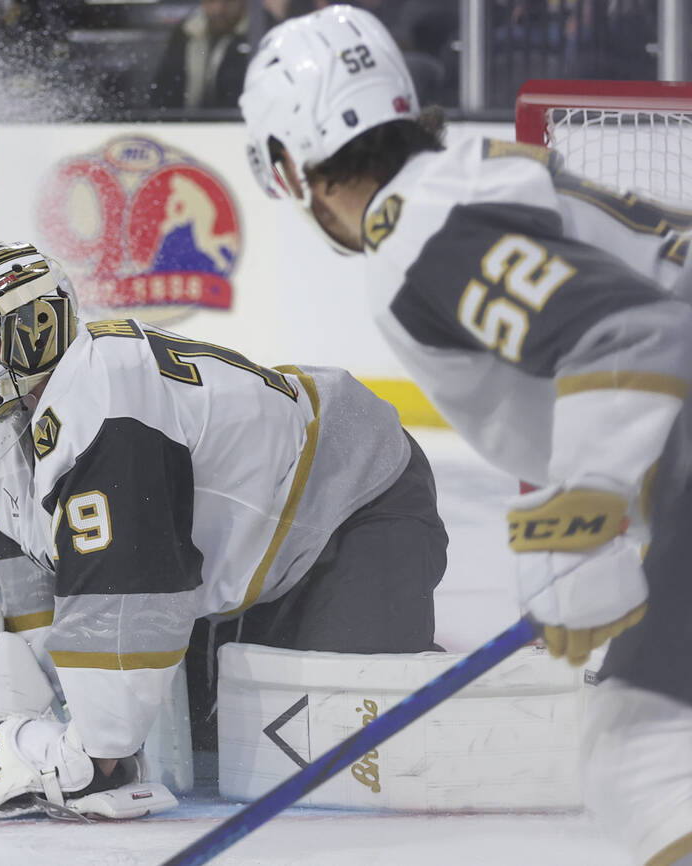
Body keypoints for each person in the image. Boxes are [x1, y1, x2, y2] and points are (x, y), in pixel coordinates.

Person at [239, 6, 692, 865]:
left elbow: (632, 338)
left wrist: (582, 511)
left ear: (290, 166)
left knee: (645, 757)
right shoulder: (465, 181)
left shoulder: (420, 228)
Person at [0, 241, 448, 819]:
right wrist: (18, 711)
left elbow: (129, 592)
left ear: (36, 330)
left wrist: (88, 758)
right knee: (209, 752)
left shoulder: (107, 413)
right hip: (252, 539)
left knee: (352, 747)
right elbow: (37, 597)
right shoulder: (12, 428)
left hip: (357, 497)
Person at [149, 0, 265, 111]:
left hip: (237, 126)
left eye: (229, 1)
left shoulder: (259, 38)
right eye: (212, 1)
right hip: (187, 126)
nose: (219, 9)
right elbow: (164, 94)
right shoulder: (185, 34)